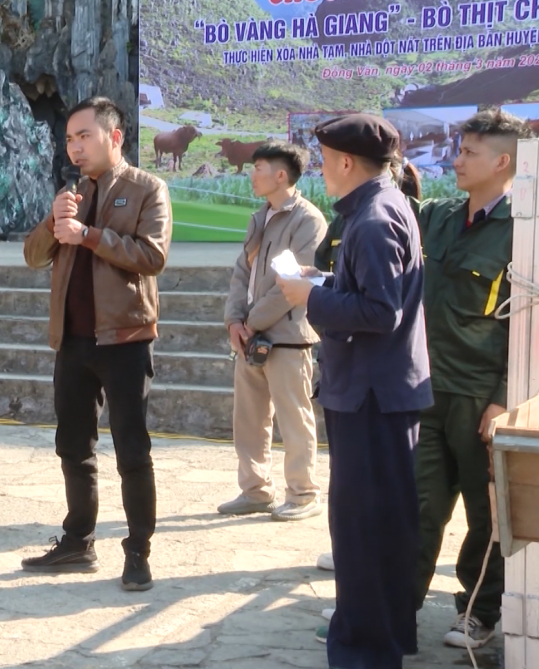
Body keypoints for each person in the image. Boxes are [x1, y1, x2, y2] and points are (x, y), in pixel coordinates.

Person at [276, 113, 432, 669]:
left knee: (364, 532)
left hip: (371, 395)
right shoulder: (385, 205)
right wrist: (322, 285)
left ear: (345, 162)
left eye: (322, 159)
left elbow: (379, 311)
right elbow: (371, 294)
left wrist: (307, 296)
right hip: (376, 391)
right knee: (379, 525)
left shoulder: (372, 219)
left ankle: (366, 650)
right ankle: (378, 635)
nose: (320, 169)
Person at [20, 96, 172, 591]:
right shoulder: (71, 194)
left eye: (83, 136)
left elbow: (151, 255)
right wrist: (53, 222)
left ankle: (138, 552)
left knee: (132, 448)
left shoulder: (148, 189)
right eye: (69, 139)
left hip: (125, 339)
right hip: (73, 340)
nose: (75, 147)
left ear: (115, 137)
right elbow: (32, 256)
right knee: (73, 445)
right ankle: (77, 541)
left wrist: (87, 233)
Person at [411, 108, 533, 650]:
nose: (456, 160)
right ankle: (394, 608)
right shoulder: (439, 217)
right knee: (419, 504)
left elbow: (529, 326)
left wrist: (504, 399)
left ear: (502, 160)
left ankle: (479, 611)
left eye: (469, 152)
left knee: (487, 514)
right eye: (458, 150)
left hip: (480, 396)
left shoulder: (524, 233)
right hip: (427, 389)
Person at [218, 140, 326, 521]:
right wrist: (234, 320)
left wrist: (249, 323)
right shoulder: (259, 217)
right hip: (251, 337)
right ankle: (255, 490)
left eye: (259, 168)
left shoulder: (308, 221)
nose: (253, 174)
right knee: (248, 421)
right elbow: (241, 274)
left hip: (288, 337)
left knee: (294, 419)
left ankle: (302, 494)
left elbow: (292, 287)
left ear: (281, 175)